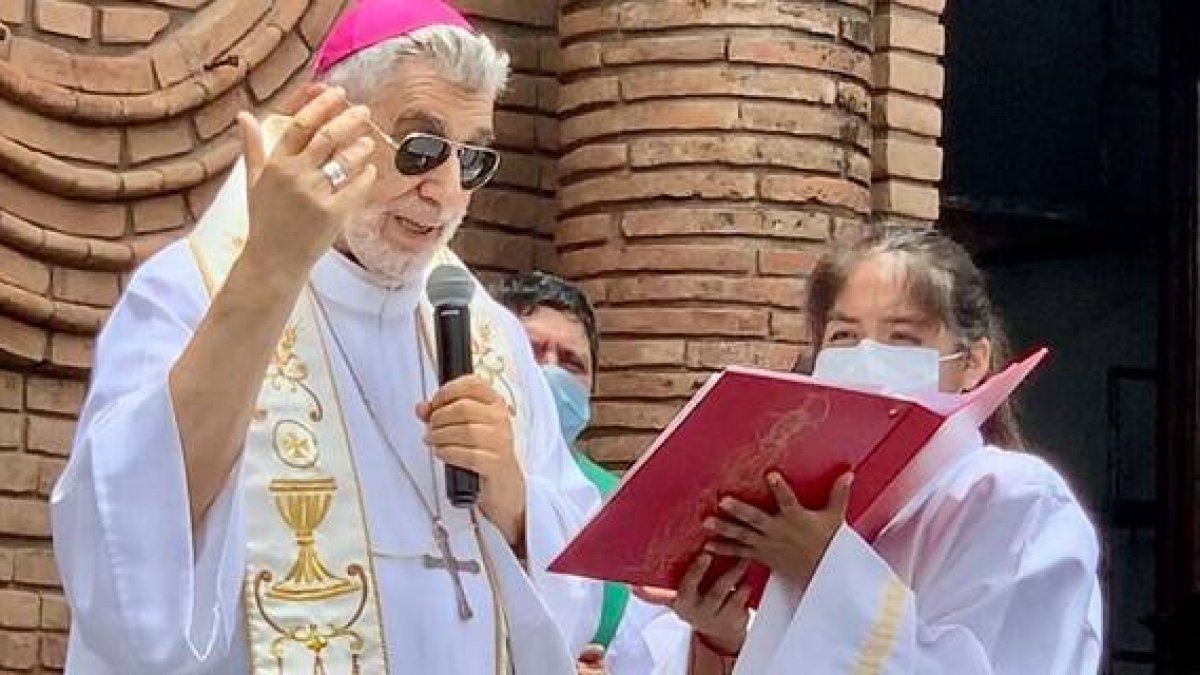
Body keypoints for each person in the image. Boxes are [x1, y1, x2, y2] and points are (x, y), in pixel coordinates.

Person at [48, 2, 602, 674]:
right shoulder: (196, 289)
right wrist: (269, 271)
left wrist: (515, 504)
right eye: (420, 148)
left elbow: (576, 598)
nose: (447, 191)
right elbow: (124, 546)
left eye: (474, 158)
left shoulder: (488, 335)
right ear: (327, 123)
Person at [646, 228, 1103, 674]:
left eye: (902, 337)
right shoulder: (804, 507)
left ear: (972, 363)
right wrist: (724, 640)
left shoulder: (1015, 498)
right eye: (844, 337)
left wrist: (825, 566)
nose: (867, 358)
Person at [497, 271, 692, 675]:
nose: (550, 372)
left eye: (571, 362)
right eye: (532, 352)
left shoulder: (621, 508)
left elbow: (654, 649)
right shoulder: (443, 474)